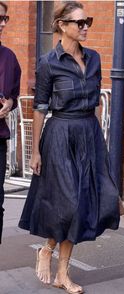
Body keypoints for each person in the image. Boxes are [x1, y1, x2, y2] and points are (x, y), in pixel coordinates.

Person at [18, 2, 120, 293]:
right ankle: (47, 250)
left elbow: (95, 103)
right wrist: (35, 150)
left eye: (87, 21)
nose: (85, 26)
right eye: (79, 22)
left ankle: (62, 273)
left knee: (90, 201)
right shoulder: (49, 62)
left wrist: (98, 141)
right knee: (70, 205)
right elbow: (39, 107)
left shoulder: (95, 58)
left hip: (89, 133)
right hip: (60, 134)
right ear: (62, 25)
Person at [0, 1, 21, 244]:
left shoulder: (9, 58)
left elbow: (13, 95)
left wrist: (10, 104)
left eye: (5, 18)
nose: (3, 24)